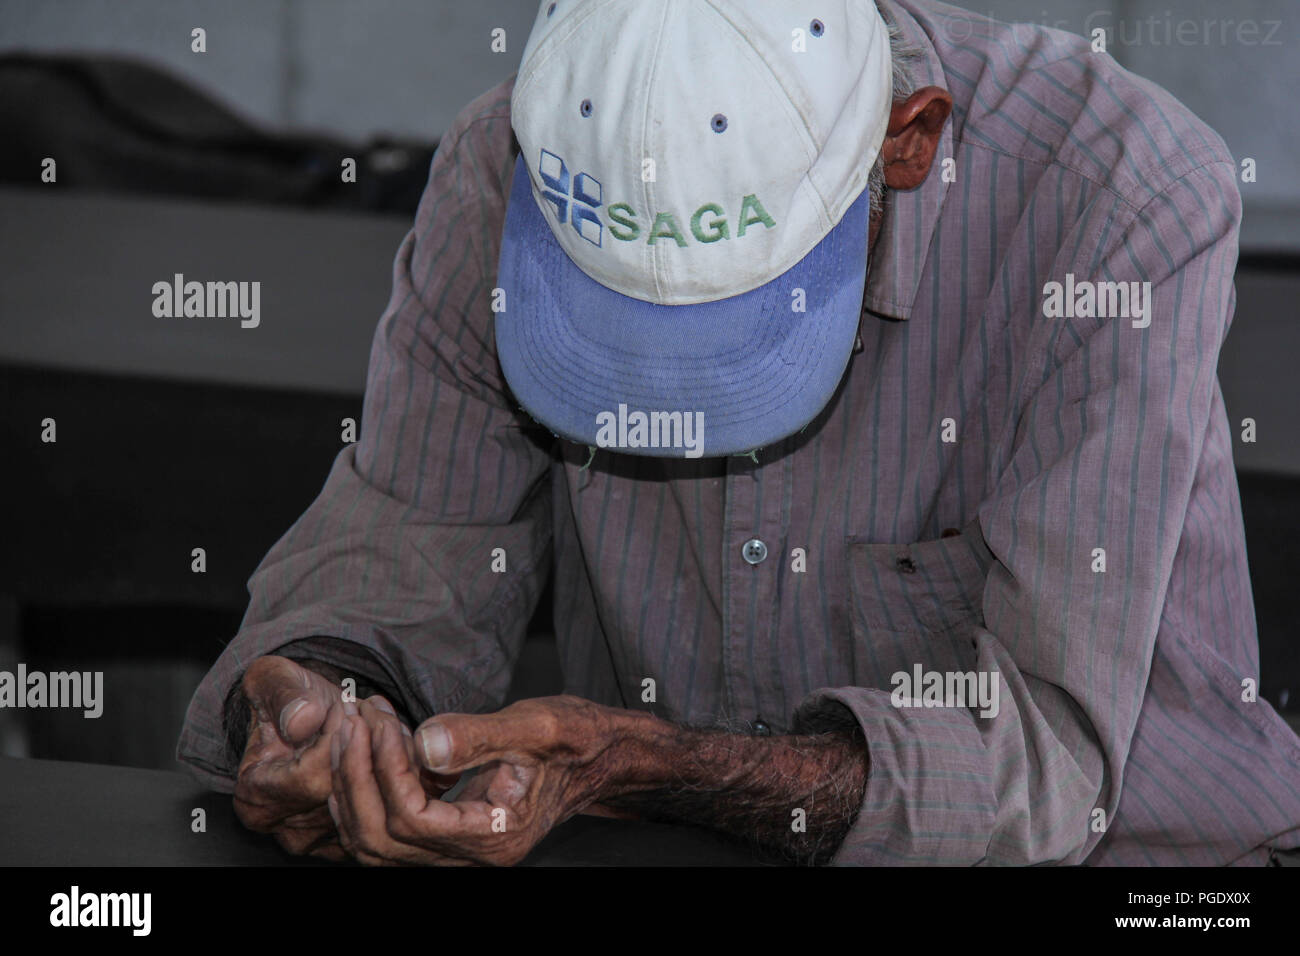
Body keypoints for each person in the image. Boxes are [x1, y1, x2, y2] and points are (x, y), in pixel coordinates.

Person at [178, 0, 1300, 866]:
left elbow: (1047, 761)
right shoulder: (509, 171)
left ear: (904, 146)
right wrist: (313, 700)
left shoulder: (1112, 198)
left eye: (737, 321)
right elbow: (401, 549)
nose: (678, 403)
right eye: (619, 328)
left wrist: (653, 767)